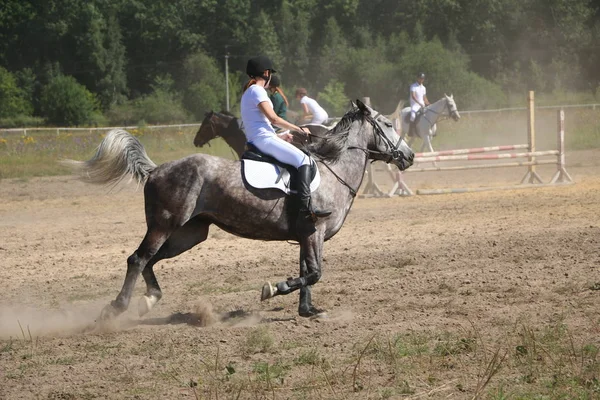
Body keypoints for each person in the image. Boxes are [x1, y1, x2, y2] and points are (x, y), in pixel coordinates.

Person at [240, 55, 331, 232]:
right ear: (266, 73)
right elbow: (274, 119)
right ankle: (305, 211)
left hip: (260, 139)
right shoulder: (258, 91)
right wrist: (298, 129)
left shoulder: (248, 92)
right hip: (264, 140)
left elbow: (260, 124)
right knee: (304, 160)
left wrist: (280, 137)